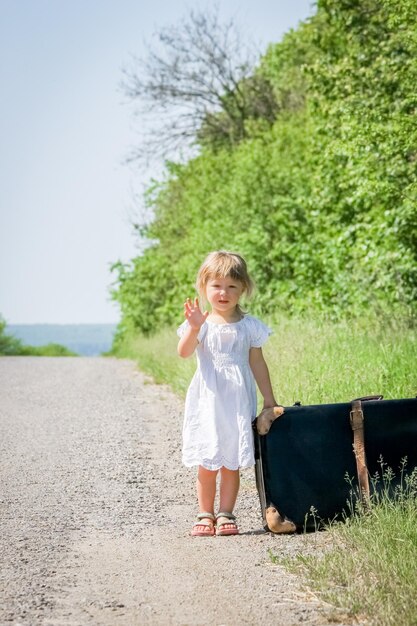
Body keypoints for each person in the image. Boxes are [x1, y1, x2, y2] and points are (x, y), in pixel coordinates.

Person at [177, 250, 278, 537]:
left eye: (232, 286)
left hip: (236, 401)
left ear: (243, 288)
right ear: (204, 287)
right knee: (208, 459)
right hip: (207, 401)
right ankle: (204, 513)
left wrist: (269, 399)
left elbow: (257, 363)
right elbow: (183, 353)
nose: (224, 292)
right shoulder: (202, 324)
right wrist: (195, 327)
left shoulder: (249, 327)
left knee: (230, 460)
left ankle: (226, 513)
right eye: (217, 286)